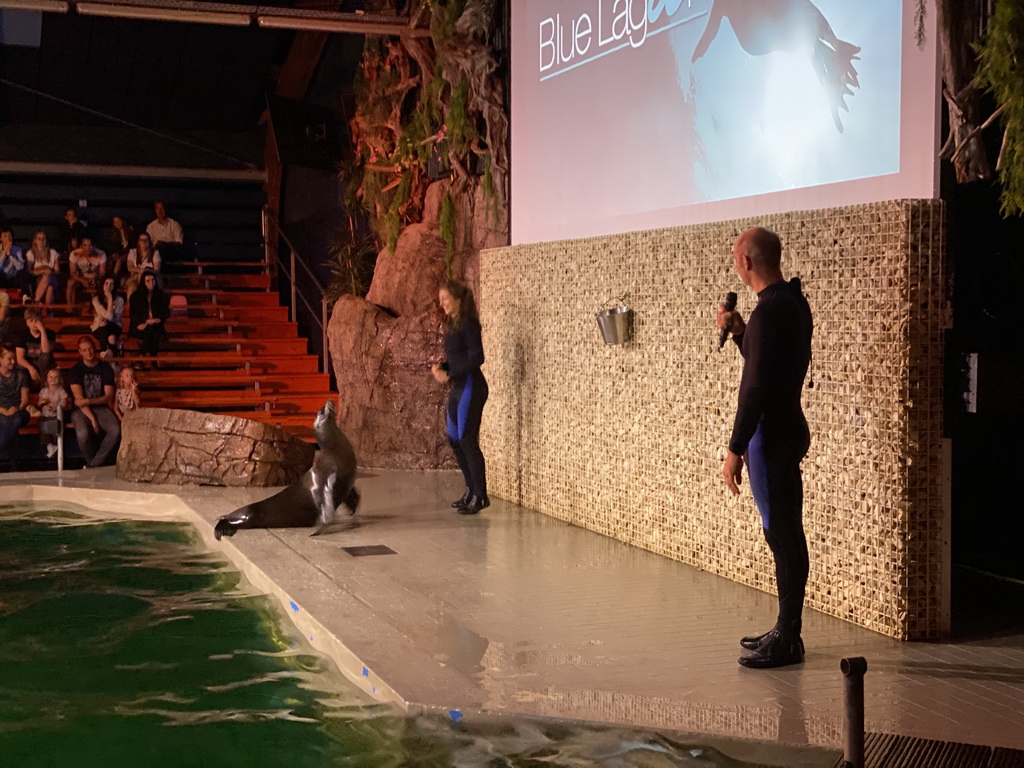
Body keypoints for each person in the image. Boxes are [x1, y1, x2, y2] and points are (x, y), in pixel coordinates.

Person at [717, 226, 813, 669]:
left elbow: (756, 387)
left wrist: (735, 448)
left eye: (737, 259)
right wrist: (741, 335)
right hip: (782, 429)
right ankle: (784, 628)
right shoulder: (786, 303)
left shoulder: (769, 310)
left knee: (783, 533)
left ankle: (788, 639)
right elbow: (768, 366)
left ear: (746, 263)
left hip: (769, 436)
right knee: (782, 532)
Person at [431, 280, 489, 515]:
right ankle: (470, 490)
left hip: (471, 387)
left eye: (445, 298)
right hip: (458, 387)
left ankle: (481, 495)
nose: (442, 303)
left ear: (457, 299)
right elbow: (458, 357)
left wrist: (451, 373)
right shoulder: (454, 324)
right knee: (454, 439)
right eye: (441, 299)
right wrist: (443, 366)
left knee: (467, 440)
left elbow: (477, 358)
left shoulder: (469, 323)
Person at [68, 335, 119, 468]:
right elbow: (79, 401)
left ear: (94, 348)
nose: (89, 352)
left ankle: (94, 464)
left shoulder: (106, 368)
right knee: (83, 433)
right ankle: (92, 462)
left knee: (115, 430)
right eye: (84, 350)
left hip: (101, 407)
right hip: (81, 410)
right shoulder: (76, 370)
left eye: (90, 349)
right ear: (80, 352)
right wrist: (92, 419)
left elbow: (108, 396)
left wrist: (88, 401)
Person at [128, 270, 170, 358]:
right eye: (148, 280)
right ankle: (153, 360)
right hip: (139, 326)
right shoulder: (136, 296)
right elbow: (133, 315)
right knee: (153, 333)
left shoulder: (161, 295)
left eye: (153, 280)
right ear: (143, 282)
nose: (151, 282)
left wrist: (158, 319)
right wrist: (145, 321)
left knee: (153, 330)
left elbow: (165, 312)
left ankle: (142, 355)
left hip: (156, 325)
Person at [0, 345, 30, 467]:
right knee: (6, 422)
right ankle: (13, 464)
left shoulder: (21, 375)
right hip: (1, 410)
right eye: (9, 359)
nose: (13, 362)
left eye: (14, 358)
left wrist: (17, 408)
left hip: (18, 410)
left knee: (16, 419)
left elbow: (25, 399)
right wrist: (4, 411)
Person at [16, 307, 56, 384]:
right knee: (20, 368)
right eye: (31, 321)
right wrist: (31, 368)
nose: (34, 323)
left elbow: (46, 351)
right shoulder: (22, 335)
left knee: (45, 357)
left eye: (37, 320)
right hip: (29, 365)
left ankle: (44, 388)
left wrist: (42, 330)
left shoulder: (50, 334)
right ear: (27, 323)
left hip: (44, 365)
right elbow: (20, 358)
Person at [37, 367, 70, 459]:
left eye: (56, 377)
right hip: (45, 415)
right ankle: (49, 445)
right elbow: (39, 403)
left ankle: (57, 445)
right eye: (50, 377)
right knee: (42, 423)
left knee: (57, 425)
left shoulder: (61, 391)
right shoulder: (44, 391)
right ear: (47, 378)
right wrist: (43, 403)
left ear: (60, 379)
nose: (53, 379)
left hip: (56, 415)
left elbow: (64, 404)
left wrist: (56, 408)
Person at [67, 236, 108, 304]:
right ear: (81, 246)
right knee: (70, 282)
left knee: (106, 282)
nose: (88, 248)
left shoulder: (101, 254)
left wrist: (95, 278)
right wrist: (82, 280)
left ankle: (103, 305)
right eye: (85, 245)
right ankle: (70, 306)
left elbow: (102, 272)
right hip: (81, 278)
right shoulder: (74, 254)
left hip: (96, 278)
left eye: (90, 245)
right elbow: (73, 273)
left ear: (94, 245)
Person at [91, 276, 125, 358]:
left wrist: (110, 298)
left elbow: (112, 318)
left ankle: (104, 353)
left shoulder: (119, 300)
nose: (109, 286)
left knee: (107, 326)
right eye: (106, 283)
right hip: (98, 327)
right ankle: (109, 357)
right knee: (111, 337)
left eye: (111, 284)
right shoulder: (96, 299)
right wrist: (109, 299)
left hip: (115, 325)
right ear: (102, 285)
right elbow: (108, 316)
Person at [25, 230, 61, 307]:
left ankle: (36, 301)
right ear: (35, 240)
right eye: (39, 238)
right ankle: (49, 311)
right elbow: (29, 271)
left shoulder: (53, 252)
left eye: (43, 238)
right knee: (50, 288)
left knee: (48, 277)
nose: (41, 241)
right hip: (37, 278)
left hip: (52, 277)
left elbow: (57, 271)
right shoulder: (30, 253)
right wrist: (39, 272)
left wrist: (49, 272)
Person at [124, 232, 162, 299]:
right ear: (139, 242)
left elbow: (157, 269)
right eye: (142, 240)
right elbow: (129, 267)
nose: (144, 242)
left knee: (149, 286)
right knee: (131, 288)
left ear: (149, 241)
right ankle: (131, 307)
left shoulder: (155, 252)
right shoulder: (133, 252)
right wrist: (140, 270)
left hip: (151, 276)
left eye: (146, 240)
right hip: (136, 276)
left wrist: (145, 271)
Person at [0, 227, 31, 296]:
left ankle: (26, 297)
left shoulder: (17, 249)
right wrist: (4, 254)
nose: (8, 238)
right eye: (5, 236)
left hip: (14, 277)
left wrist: (11, 255)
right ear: (0, 238)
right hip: (2, 277)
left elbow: (20, 267)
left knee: (22, 273)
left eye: (9, 236)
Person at [106, 215, 136, 286]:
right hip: (120, 253)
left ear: (122, 221)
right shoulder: (113, 233)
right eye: (115, 222)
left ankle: (114, 279)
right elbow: (113, 246)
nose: (117, 223)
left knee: (119, 260)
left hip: (130, 252)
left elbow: (133, 245)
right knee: (111, 260)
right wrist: (115, 254)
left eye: (118, 221)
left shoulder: (130, 230)